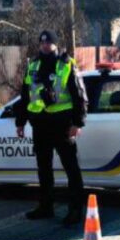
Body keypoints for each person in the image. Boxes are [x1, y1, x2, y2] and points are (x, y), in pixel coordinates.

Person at [14, 29, 88, 226]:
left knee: (71, 168)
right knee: (43, 169)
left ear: (56, 44)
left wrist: (78, 122)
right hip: (40, 125)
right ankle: (45, 207)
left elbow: (79, 95)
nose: (45, 45)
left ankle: (75, 210)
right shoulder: (33, 66)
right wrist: (20, 122)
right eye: (42, 43)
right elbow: (25, 96)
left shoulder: (66, 64)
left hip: (62, 124)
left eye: (49, 42)